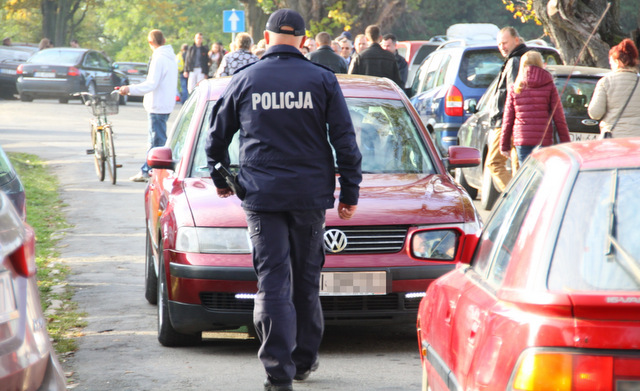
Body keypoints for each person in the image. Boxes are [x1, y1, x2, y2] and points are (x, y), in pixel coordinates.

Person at [205, 9, 362, 391]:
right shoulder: (322, 79)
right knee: (306, 279)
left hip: (262, 196)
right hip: (309, 196)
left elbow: (215, 137)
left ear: (266, 35)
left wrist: (221, 176)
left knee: (273, 280)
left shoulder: (245, 79)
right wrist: (350, 193)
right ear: (304, 40)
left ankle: (279, 373)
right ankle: (304, 360)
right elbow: (345, 139)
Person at [118, 29, 178, 182]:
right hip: (166, 102)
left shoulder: (159, 58)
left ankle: (151, 171)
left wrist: (129, 89)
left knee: (156, 141)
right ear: (163, 40)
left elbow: (151, 84)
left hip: (157, 104)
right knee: (157, 139)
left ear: (151, 42)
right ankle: (149, 169)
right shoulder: (170, 57)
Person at [499, 51, 570, 166]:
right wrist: (566, 142)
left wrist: (504, 145)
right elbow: (559, 117)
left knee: (526, 175)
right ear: (540, 63)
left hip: (522, 138)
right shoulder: (549, 85)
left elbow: (508, 119)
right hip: (543, 139)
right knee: (542, 174)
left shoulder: (515, 87)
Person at [484, 26, 529, 192]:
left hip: (506, 121)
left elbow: (513, 94)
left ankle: (513, 198)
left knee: (494, 163)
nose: (502, 46)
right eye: (499, 44)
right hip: (512, 121)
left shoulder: (515, 61)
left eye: (505, 42)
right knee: (517, 165)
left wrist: (509, 123)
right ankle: (520, 197)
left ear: (516, 40)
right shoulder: (517, 59)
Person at [588, 38, 640, 138]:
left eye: (611, 62)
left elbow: (595, 113)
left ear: (616, 61)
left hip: (613, 139)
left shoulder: (605, 82)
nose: (610, 65)